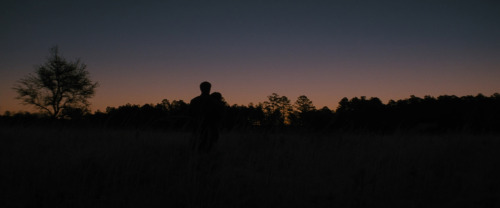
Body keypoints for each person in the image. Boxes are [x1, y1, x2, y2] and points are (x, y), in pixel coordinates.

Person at [189, 81, 223, 152]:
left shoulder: (194, 101)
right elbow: (219, 116)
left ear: (200, 88)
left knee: (197, 147)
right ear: (209, 88)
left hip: (197, 128)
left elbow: (190, 115)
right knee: (210, 148)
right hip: (211, 128)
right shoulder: (215, 102)